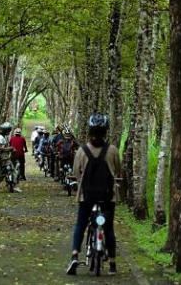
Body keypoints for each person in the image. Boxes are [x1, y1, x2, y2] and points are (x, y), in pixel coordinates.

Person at [67, 113, 121, 276]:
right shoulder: (112, 150)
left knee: (80, 225)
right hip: (107, 197)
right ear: (105, 132)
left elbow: (76, 172)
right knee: (109, 229)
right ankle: (112, 264)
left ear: (90, 131)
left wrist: (79, 180)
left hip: (86, 197)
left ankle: (75, 255)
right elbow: (118, 170)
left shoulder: (82, 151)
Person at [0, 122, 21, 192]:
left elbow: (5, 147)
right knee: (2, 173)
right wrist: (9, 149)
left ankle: (12, 185)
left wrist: (11, 149)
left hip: (7, 157)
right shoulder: (0, 138)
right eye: (8, 130)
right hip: (3, 157)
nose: (9, 132)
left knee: (12, 170)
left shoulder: (5, 137)